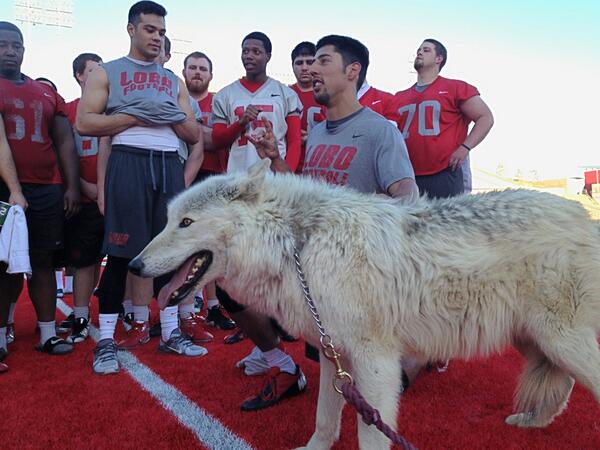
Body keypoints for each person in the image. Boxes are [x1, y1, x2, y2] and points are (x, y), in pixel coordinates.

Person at [247, 34, 421, 388]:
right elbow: (307, 195)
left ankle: (421, 354)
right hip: (320, 268)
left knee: (383, 379)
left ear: (352, 71)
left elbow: (408, 202)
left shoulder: (380, 132)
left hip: (360, 273)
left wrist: (353, 230)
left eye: (324, 61)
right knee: (331, 357)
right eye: (311, 62)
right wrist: (275, 158)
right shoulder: (321, 134)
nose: (312, 69)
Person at [76, 1, 204, 375]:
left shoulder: (173, 81)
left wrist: (170, 115)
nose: (156, 37)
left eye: (161, 32)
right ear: (131, 29)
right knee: (119, 256)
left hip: (167, 165)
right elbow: (85, 122)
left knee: (168, 252)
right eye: (150, 29)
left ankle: (169, 333)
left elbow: (193, 133)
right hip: (128, 160)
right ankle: (106, 342)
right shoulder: (107, 72)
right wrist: (136, 114)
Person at [210, 31, 306, 411]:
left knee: (259, 276)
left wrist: (288, 176)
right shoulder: (226, 94)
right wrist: (240, 124)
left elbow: (295, 141)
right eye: (245, 50)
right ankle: (268, 349)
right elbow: (217, 141)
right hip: (237, 194)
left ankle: (278, 355)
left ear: (268, 55)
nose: (250, 56)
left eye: (256, 51)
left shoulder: (284, 93)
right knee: (235, 278)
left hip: (271, 193)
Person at [0, 21, 80, 367]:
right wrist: (14, 188)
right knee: (4, 265)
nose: (10, 51)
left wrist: (72, 185)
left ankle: (47, 332)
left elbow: (64, 139)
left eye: (16, 45)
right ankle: (2, 333)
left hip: (46, 186)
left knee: (44, 261)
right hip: (4, 188)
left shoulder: (45, 92)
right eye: (2, 45)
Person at [386, 39, 494, 198]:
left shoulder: (456, 88)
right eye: (419, 50)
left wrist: (465, 147)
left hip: (445, 171)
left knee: (450, 221)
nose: (420, 52)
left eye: (426, 50)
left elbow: (485, 117)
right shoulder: (399, 97)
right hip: (409, 174)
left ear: (439, 59)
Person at [182, 50, 236, 331]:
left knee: (213, 245)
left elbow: (219, 141)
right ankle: (186, 306)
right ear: (184, 72)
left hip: (215, 176)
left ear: (211, 74)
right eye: (192, 67)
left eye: (203, 68)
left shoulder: (220, 101)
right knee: (186, 244)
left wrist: (200, 132)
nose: (198, 73)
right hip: (186, 176)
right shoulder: (177, 97)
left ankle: (213, 305)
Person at [57, 53, 105, 343]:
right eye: (93, 70)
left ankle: (125, 310)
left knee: (122, 256)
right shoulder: (68, 110)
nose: (100, 75)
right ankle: (81, 313)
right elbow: (63, 152)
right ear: (79, 75)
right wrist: (83, 186)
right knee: (85, 259)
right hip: (86, 196)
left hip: (113, 194)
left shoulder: (113, 107)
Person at [289, 41, 325, 174]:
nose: (304, 68)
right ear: (292, 66)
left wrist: (312, 138)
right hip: (289, 169)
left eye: (309, 62)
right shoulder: (283, 95)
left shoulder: (327, 94)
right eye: (299, 63)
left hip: (320, 168)